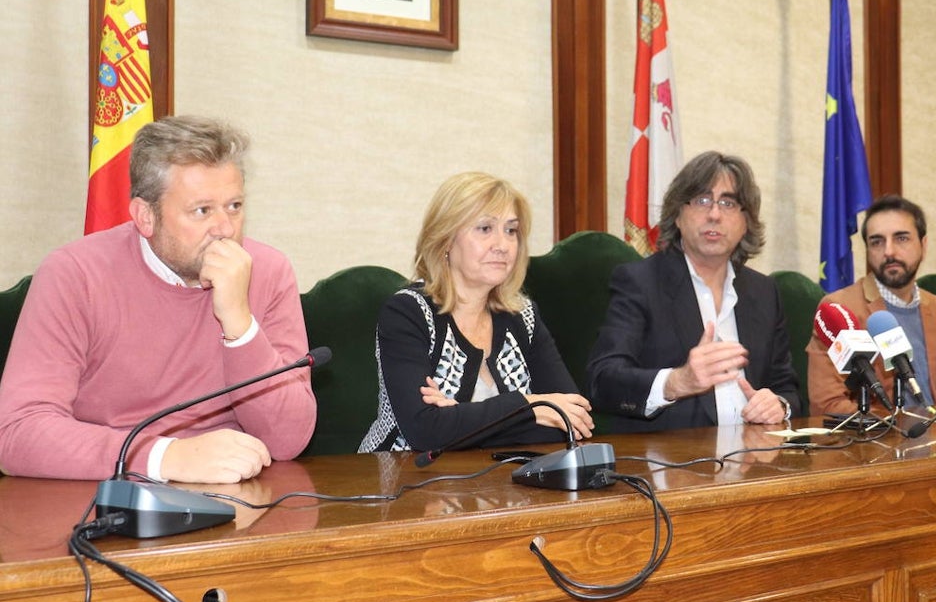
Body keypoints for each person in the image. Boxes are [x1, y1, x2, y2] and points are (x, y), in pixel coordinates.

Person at [0, 116, 316, 483]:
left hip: (234, 499)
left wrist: (240, 325)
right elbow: (17, 432)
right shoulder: (75, 274)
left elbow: (288, 439)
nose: (225, 229)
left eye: (234, 206)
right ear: (145, 217)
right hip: (104, 497)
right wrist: (167, 457)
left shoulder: (268, 271)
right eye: (202, 210)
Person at [359, 172, 592, 454]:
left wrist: (461, 420)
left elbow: (574, 421)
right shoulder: (409, 313)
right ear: (445, 239)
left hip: (497, 485)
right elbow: (424, 432)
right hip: (401, 481)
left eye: (511, 230)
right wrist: (527, 405)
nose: (502, 245)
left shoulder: (523, 315)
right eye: (484, 229)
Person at [586, 151, 800, 432]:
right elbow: (602, 381)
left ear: (746, 221)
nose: (714, 214)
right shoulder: (640, 282)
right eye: (701, 201)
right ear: (676, 215)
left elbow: (788, 389)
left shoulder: (763, 292)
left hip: (755, 462)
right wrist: (677, 382)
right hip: (672, 466)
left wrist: (778, 405)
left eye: (728, 203)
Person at [807, 194, 936, 416]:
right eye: (877, 242)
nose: (889, 252)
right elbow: (827, 404)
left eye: (901, 238)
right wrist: (896, 429)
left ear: (923, 245)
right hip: (877, 442)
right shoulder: (839, 310)